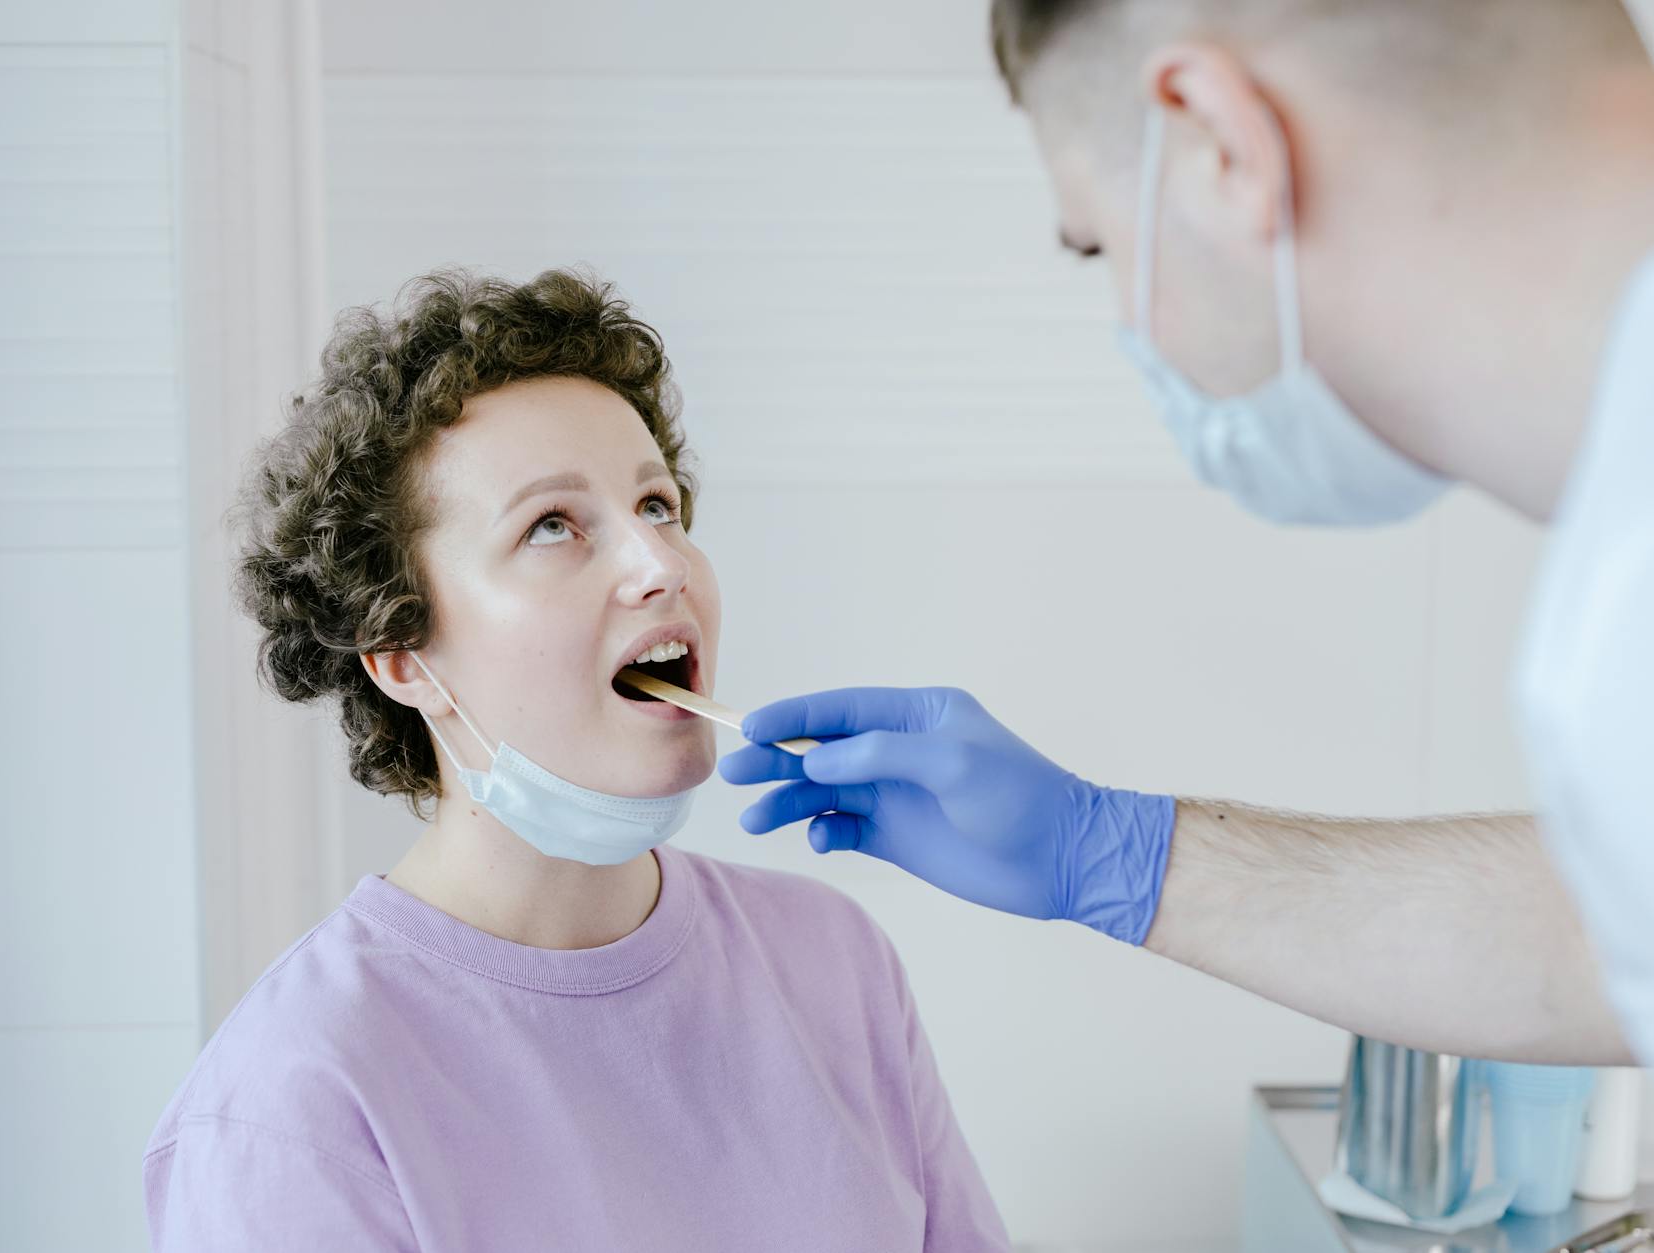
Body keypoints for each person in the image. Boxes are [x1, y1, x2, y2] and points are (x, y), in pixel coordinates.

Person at [724, 0, 1654, 1066]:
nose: (1132, 317)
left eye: (1099, 245)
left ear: (1216, 141)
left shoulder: (1627, 616)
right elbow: (1599, 939)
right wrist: (1112, 854)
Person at [141, 270, 1010, 1251]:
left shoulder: (834, 962)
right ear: (401, 654)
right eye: (552, 524)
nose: (659, 563)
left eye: (658, 503)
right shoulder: (296, 1103)